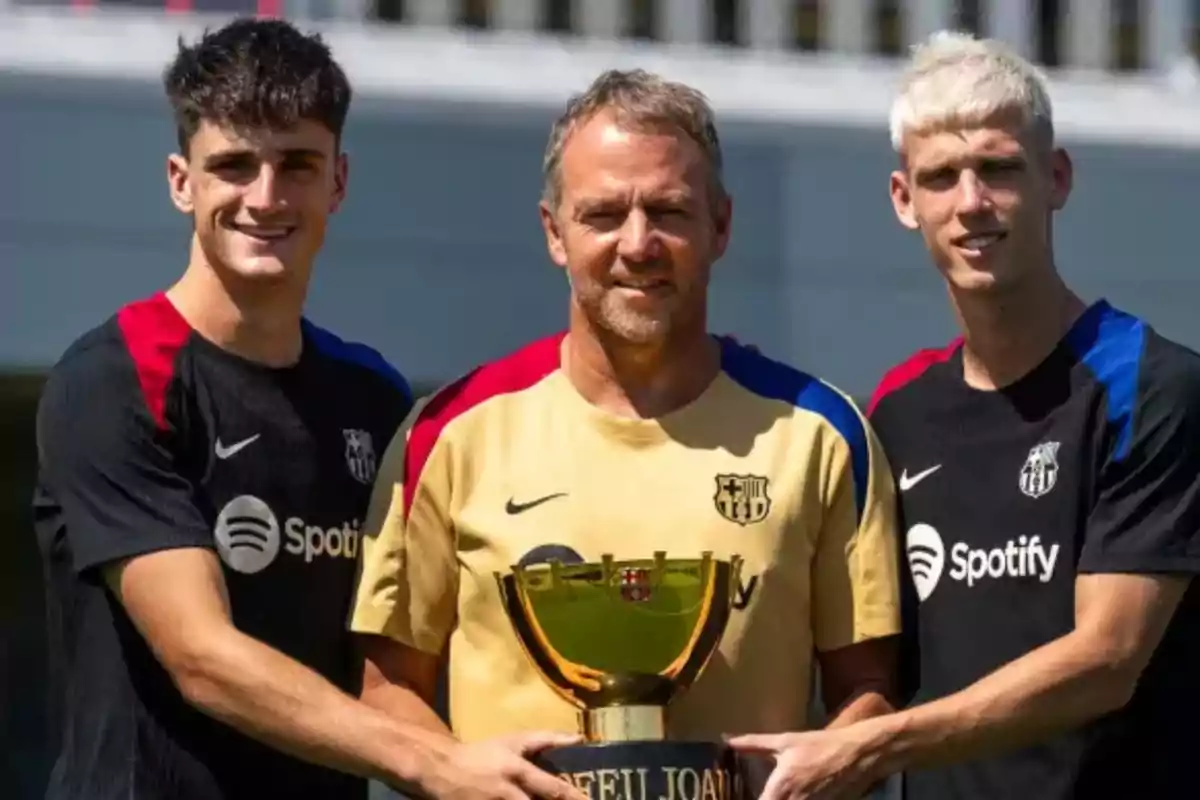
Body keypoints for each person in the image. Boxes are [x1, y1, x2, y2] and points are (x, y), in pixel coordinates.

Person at [33, 18, 581, 800]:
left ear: (339, 181)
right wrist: (434, 764)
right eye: (233, 165)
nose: (265, 197)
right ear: (180, 181)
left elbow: (412, 642)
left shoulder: (373, 397)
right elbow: (203, 659)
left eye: (296, 164)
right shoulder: (116, 377)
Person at [348, 67, 903, 780]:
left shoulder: (821, 435)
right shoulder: (452, 432)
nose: (637, 244)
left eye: (669, 212)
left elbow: (871, 690)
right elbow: (387, 686)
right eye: (603, 215)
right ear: (555, 232)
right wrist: (457, 774)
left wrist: (816, 773)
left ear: (722, 226)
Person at [725, 31, 1200, 800]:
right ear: (903, 200)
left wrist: (873, 748)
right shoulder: (898, 410)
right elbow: (876, 666)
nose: (971, 202)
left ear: (1057, 178)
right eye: (941, 176)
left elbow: (1107, 659)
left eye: (999, 169)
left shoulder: (1151, 385)